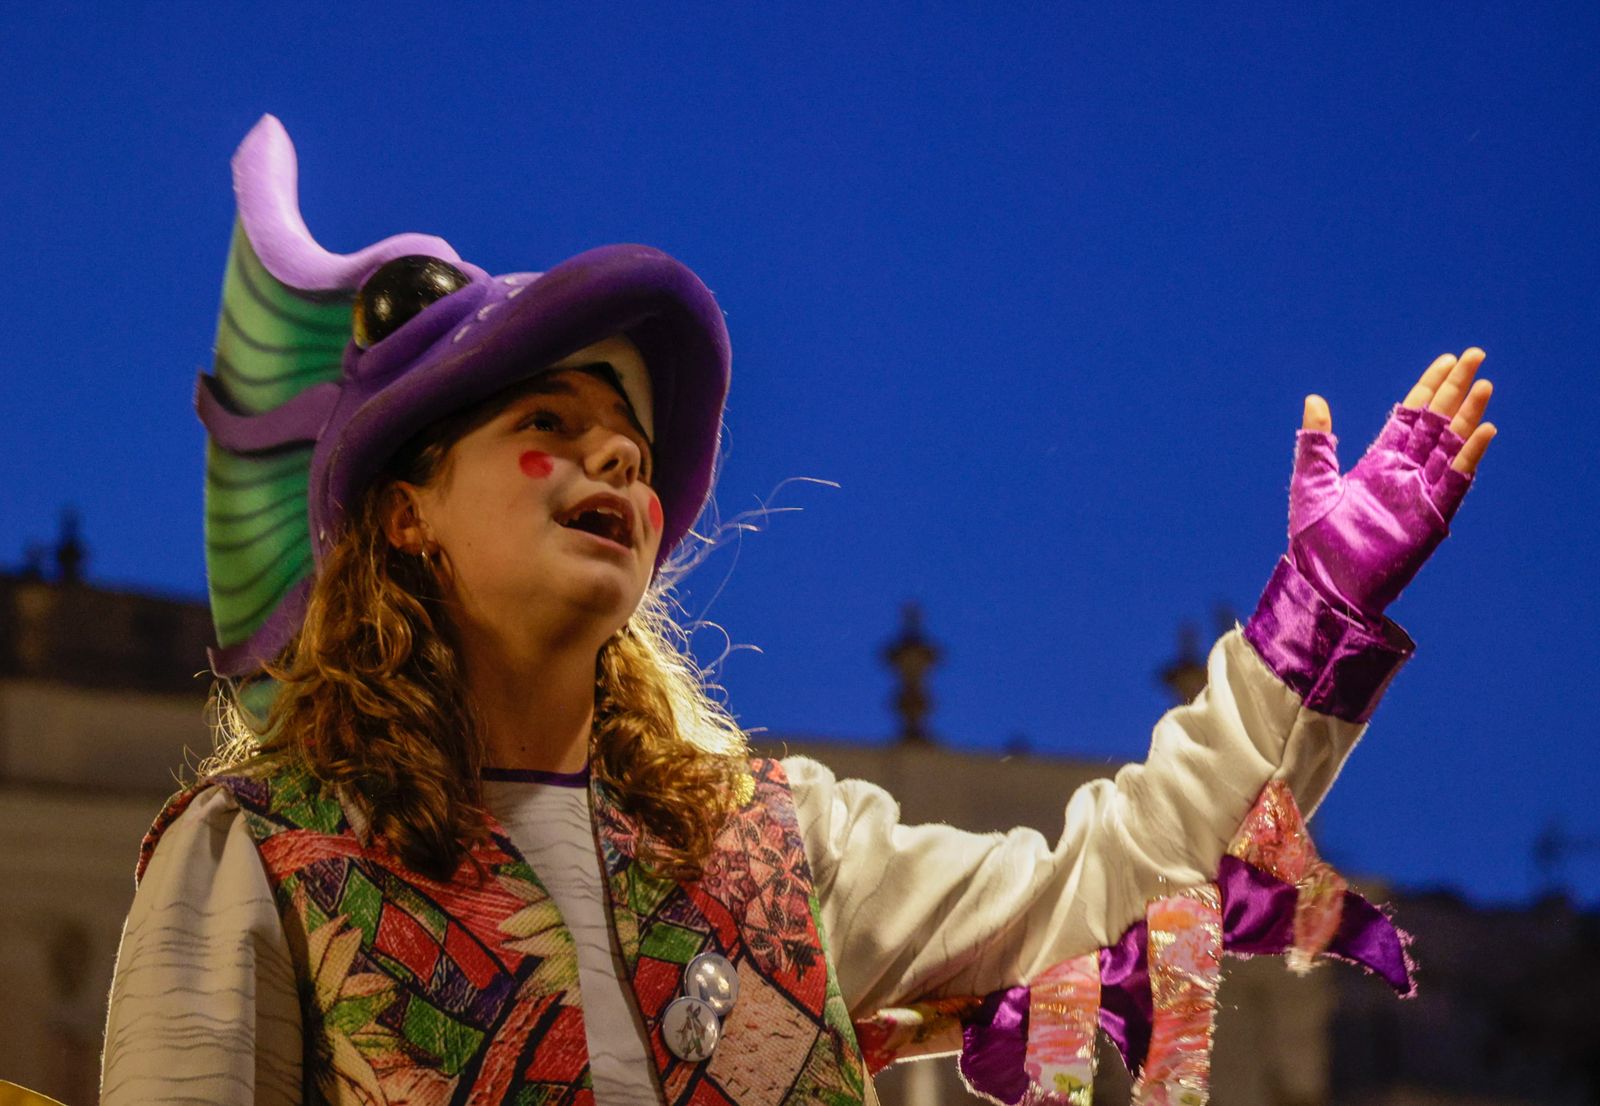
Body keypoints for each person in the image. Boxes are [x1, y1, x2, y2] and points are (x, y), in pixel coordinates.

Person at [99, 115, 1496, 1106]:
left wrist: (1314, 611)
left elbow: (1120, 889)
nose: (616, 460)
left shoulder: (778, 849)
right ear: (403, 508)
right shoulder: (258, 863)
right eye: (549, 420)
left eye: (633, 445)